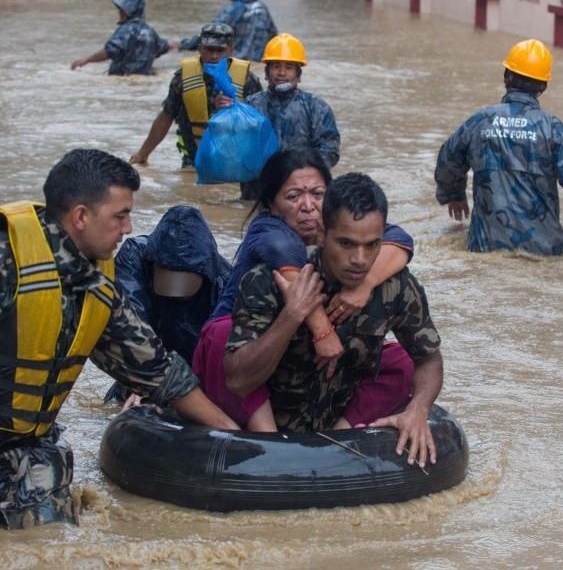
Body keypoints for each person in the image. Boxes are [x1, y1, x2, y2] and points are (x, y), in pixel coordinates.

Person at [0, 149, 237, 533]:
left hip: (32, 466)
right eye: (120, 216)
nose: (130, 229)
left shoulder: (97, 284)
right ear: (81, 216)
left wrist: (235, 440)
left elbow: (159, 371)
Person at [223, 172, 444, 468]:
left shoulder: (396, 287)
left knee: (398, 364)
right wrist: (292, 316)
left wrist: (418, 408)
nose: (360, 260)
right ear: (322, 232)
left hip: (341, 428)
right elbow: (238, 380)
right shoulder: (268, 281)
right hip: (269, 437)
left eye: (372, 245)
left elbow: (428, 358)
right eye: (346, 244)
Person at [191, 149, 415, 432]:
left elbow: (400, 239)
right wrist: (322, 329)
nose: (308, 206)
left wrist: (364, 287)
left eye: (318, 194)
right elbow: (286, 254)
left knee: (398, 359)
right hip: (243, 343)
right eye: (293, 196)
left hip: (302, 345)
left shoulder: (343, 232)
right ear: (271, 204)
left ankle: (340, 431)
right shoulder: (268, 231)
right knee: (223, 334)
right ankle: (268, 439)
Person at [434, 38, 563, 256]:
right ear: (543, 87)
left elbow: (449, 160)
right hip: (544, 251)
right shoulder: (552, 129)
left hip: (486, 246)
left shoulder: (479, 122)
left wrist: (453, 194)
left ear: (506, 77)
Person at [104, 205, 231, 402]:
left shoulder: (224, 282)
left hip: (197, 382)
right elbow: (129, 325)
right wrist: (144, 381)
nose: (175, 297)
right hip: (140, 371)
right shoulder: (134, 259)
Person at [129, 22, 262, 168]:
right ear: (199, 49)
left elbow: (260, 124)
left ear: (231, 50)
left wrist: (235, 108)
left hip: (234, 162)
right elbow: (166, 116)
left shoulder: (247, 80)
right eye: (209, 50)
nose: (214, 56)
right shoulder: (183, 78)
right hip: (193, 161)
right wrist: (143, 154)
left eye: (220, 50)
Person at [240, 33, 341, 200]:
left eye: (288, 67)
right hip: (257, 196)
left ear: (298, 75)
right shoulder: (248, 107)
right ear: (266, 73)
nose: (281, 73)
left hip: (301, 196)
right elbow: (235, 150)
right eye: (276, 66)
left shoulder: (316, 107)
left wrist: (298, 170)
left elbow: (330, 151)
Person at [178, 0, 277, 62]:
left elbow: (210, 32)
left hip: (237, 61)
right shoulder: (262, 7)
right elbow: (273, 35)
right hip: (259, 61)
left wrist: (184, 45)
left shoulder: (236, 8)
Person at [70, 0, 170, 75]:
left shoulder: (126, 30)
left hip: (122, 78)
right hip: (143, 78)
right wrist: (182, 44)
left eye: (121, 10)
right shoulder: (151, 32)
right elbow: (163, 47)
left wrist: (85, 60)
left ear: (127, 12)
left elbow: (109, 51)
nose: (119, 13)